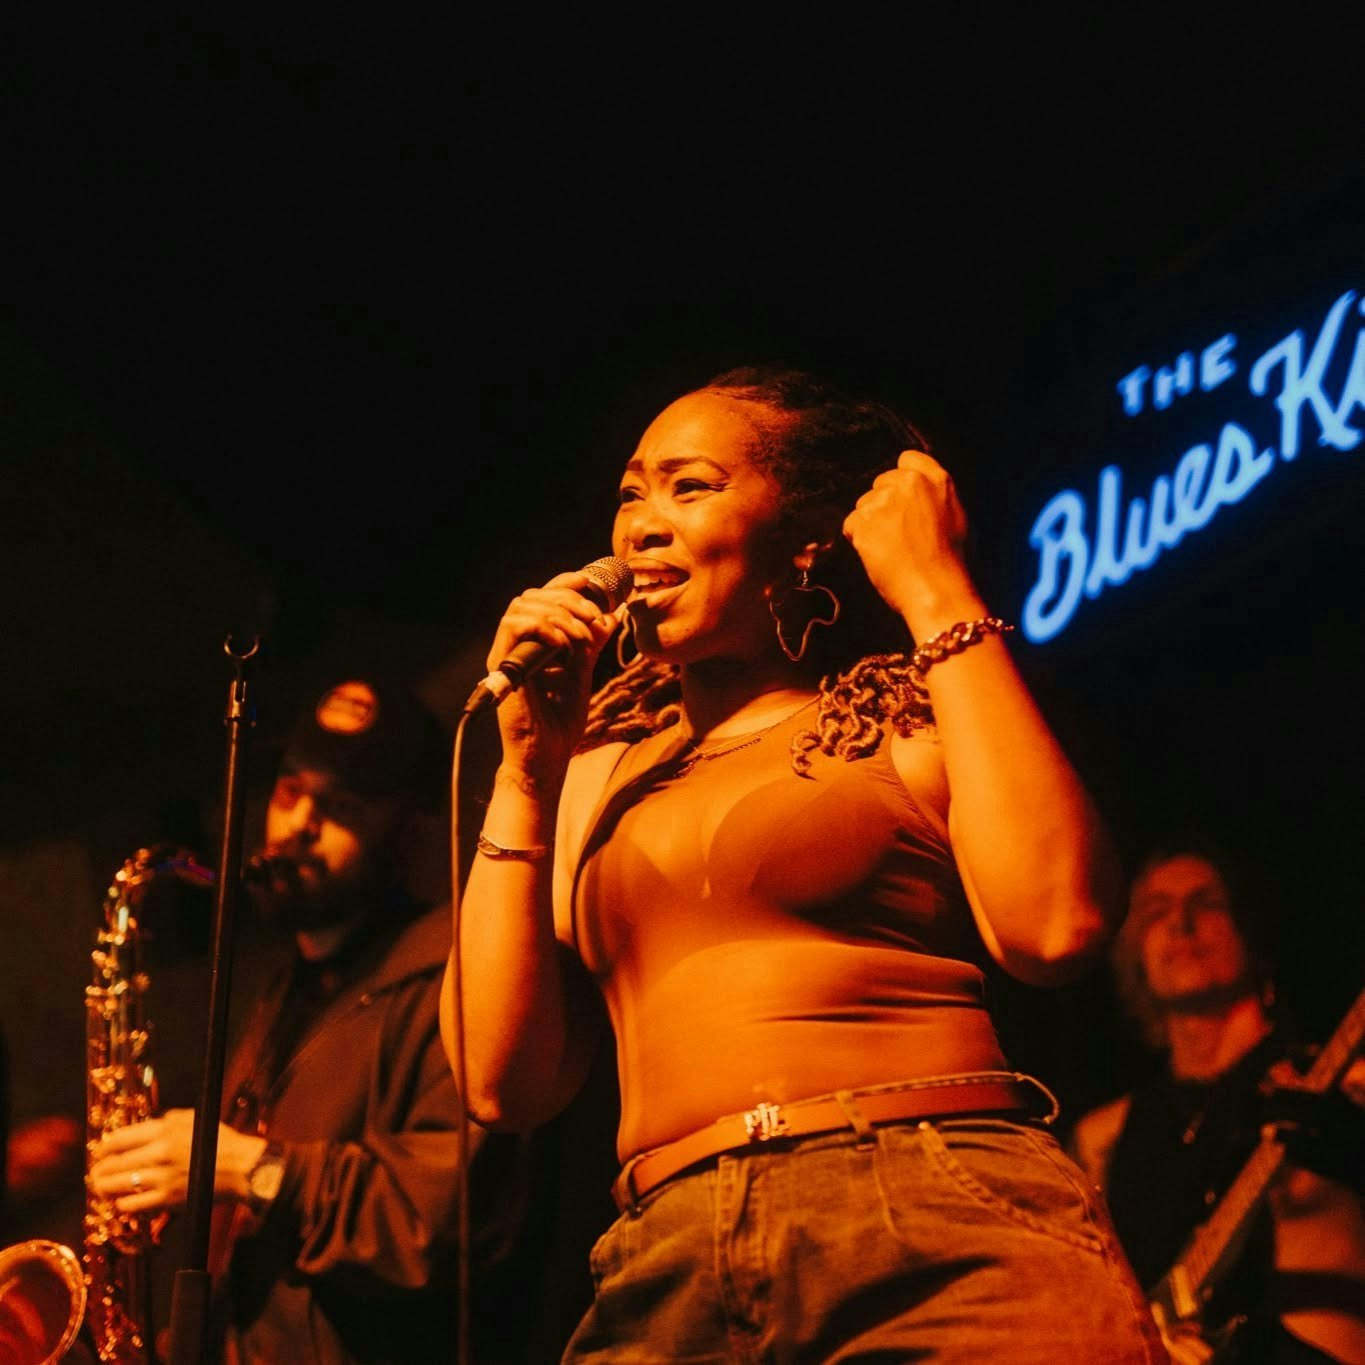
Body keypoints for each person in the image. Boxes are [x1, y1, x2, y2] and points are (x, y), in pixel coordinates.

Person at [444, 366, 1167, 1361]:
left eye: (689, 486)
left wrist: (936, 590)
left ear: (806, 537)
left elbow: (1058, 923)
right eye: (631, 494)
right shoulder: (591, 773)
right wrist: (524, 775)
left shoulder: (904, 717)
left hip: (932, 1213)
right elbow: (500, 1084)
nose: (641, 525)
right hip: (668, 1259)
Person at [89, 675, 531, 1363]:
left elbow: (444, 1224)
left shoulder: (455, 969)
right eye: (290, 791)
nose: (298, 824)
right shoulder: (285, 990)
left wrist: (254, 1169)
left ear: (409, 830)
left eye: (342, 806)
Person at [1071, 849, 1365, 1363]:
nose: (1180, 924)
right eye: (1156, 911)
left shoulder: (1338, 1083)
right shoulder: (1103, 1137)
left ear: (1252, 930)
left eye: (1206, 903)